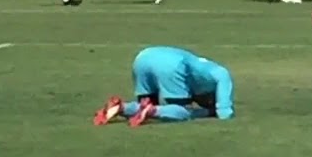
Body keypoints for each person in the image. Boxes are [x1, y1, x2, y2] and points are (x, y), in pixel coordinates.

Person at [92, 46, 234, 127]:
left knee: (145, 105)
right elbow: (224, 111)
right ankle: (152, 112)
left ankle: (121, 107)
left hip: (143, 57)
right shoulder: (220, 73)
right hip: (172, 64)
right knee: (182, 111)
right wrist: (214, 112)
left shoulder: (201, 70)